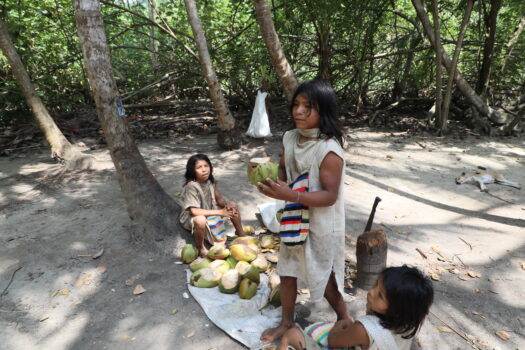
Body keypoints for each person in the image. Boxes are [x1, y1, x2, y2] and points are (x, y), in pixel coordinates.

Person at [257, 79, 347, 343]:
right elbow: (285, 170)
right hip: (295, 217)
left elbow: (330, 196)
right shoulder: (289, 137)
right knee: (287, 269)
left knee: (323, 273)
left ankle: (344, 317)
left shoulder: (329, 150)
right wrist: (271, 173)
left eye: (308, 107)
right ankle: (286, 322)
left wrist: (291, 194)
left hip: (320, 222)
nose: (298, 111)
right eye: (296, 104)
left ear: (324, 111)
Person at [280, 265, 434, 350]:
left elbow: (333, 341)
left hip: (344, 338)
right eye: (375, 285)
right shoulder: (407, 324)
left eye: (380, 295)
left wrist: (339, 325)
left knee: (292, 334)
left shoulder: (364, 328)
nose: (371, 292)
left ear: (396, 309)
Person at [179, 153, 245, 257]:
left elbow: (219, 200)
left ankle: (241, 234)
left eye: (206, 166)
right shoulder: (191, 186)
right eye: (199, 167)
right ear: (192, 170)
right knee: (200, 219)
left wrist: (228, 204)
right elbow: (194, 211)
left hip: (209, 210)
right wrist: (220, 212)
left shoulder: (210, 182)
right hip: (192, 216)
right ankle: (201, 248)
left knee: (233, 207)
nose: (204, 170)